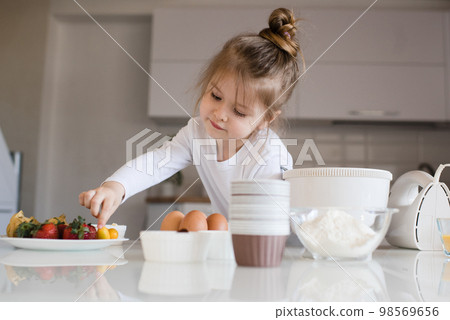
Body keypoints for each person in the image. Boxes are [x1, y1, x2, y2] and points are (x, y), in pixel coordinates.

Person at [79, 8, 305, 229]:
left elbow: (265, 226)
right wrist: (116, 187)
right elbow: (158, 162)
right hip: (229, 243)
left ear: (266, 119)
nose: (219, 114)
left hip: (264, 245)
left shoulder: (267, 155)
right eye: (216, 96)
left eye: (238, 111)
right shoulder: (196, 132)